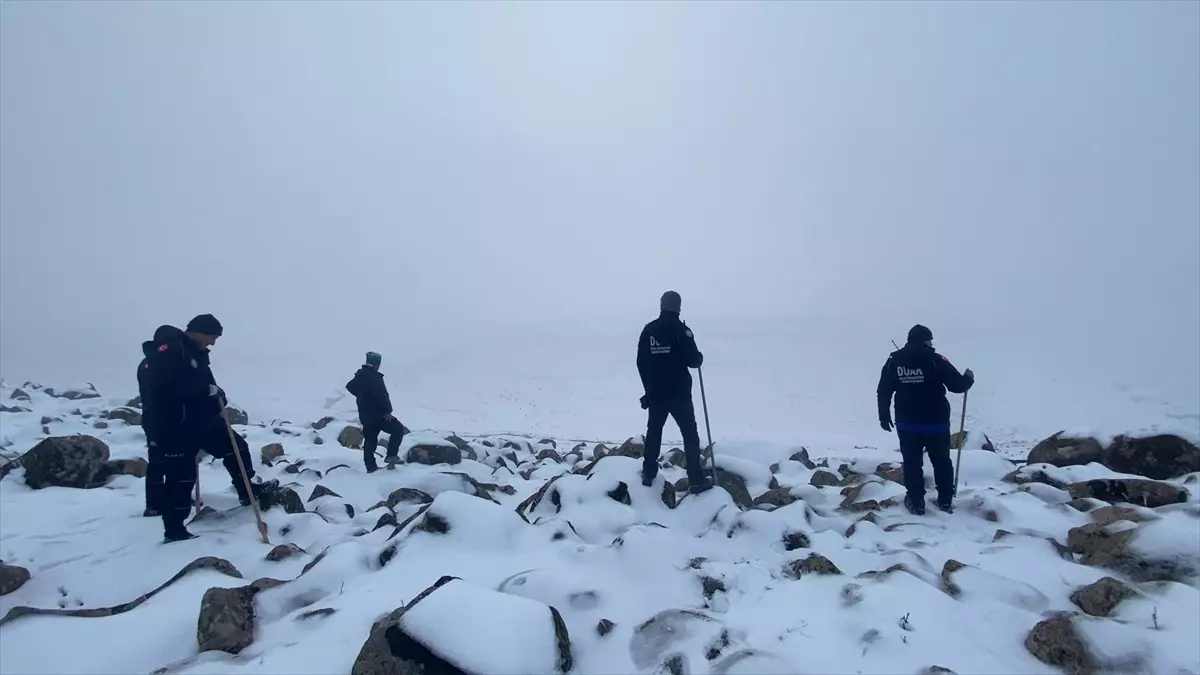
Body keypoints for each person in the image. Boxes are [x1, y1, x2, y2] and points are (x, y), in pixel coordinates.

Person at [141, 314, 276, 542]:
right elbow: (168, 387)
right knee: (181, 476)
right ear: (199, 331)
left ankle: (247, 490)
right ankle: (174, 530)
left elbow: (204, 381)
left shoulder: (197, 353)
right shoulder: (172, 351)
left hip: (204, 420)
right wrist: (205, 391)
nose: (213, 342)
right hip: (176, 425)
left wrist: (215, 391)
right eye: (212, 337)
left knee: (237, 448)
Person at [877, 324, 974, 515]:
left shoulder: (894, 360)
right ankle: (945, 500)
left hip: (907, 423)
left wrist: (884, 415)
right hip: (935, 422)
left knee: (912, 462)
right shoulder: (936, 359)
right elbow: (957, 385)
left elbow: (884, 390)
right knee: (941, 461)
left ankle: (916, 501)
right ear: (926, 340)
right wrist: (968, 378)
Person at [637, 291, 713, 494]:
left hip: (657, 393)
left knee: (654, 432)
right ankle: (696, 480)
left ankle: (648, 474)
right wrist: (699, 357)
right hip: (679, 394)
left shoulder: (649, 330)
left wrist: (648, 389)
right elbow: (693, 361)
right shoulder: (682, 330)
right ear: (678, 307)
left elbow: (641, 363)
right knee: (690, 435)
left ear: (662, 306)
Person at [346, 351, 408, 473]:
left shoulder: (360, 375)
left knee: (370, 439)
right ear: (376, 364)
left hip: (365, 415)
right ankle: (391, 455)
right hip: (379, 414)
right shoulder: (374, 376)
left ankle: (371, 467)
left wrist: (363, 397)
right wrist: (388, 410)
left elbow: (350, 387)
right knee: (398, 429)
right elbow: (382, 395)